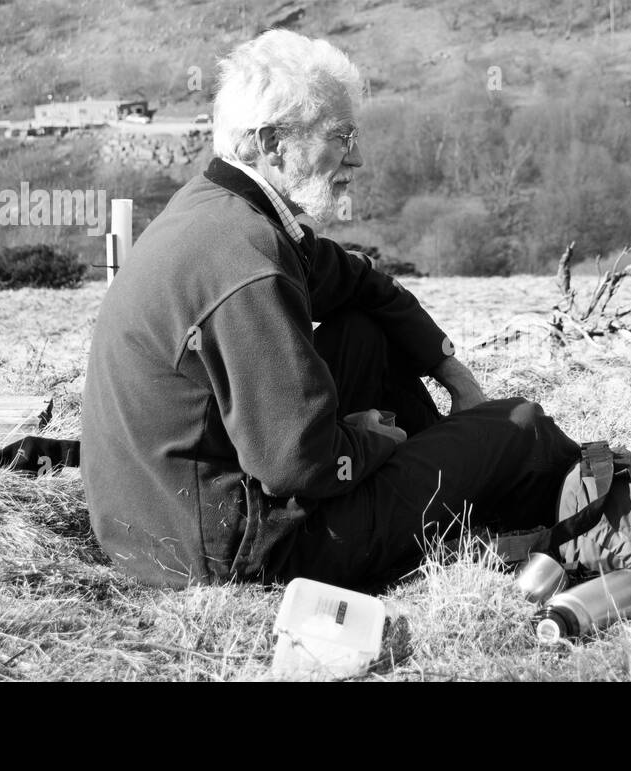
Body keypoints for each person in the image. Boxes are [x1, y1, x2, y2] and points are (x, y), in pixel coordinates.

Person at [80, 29, 581, 591]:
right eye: (340, 136)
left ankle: (447, 487)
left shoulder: (218, 210)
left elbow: (357, 281)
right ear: (272, 144)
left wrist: (449, 370)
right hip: (238, 554)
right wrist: (373, 440)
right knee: (517, 428)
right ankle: (577, 501)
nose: (357, 158)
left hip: (163, 523)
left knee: (365, 332)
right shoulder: (247, 260)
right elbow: (299, 466)